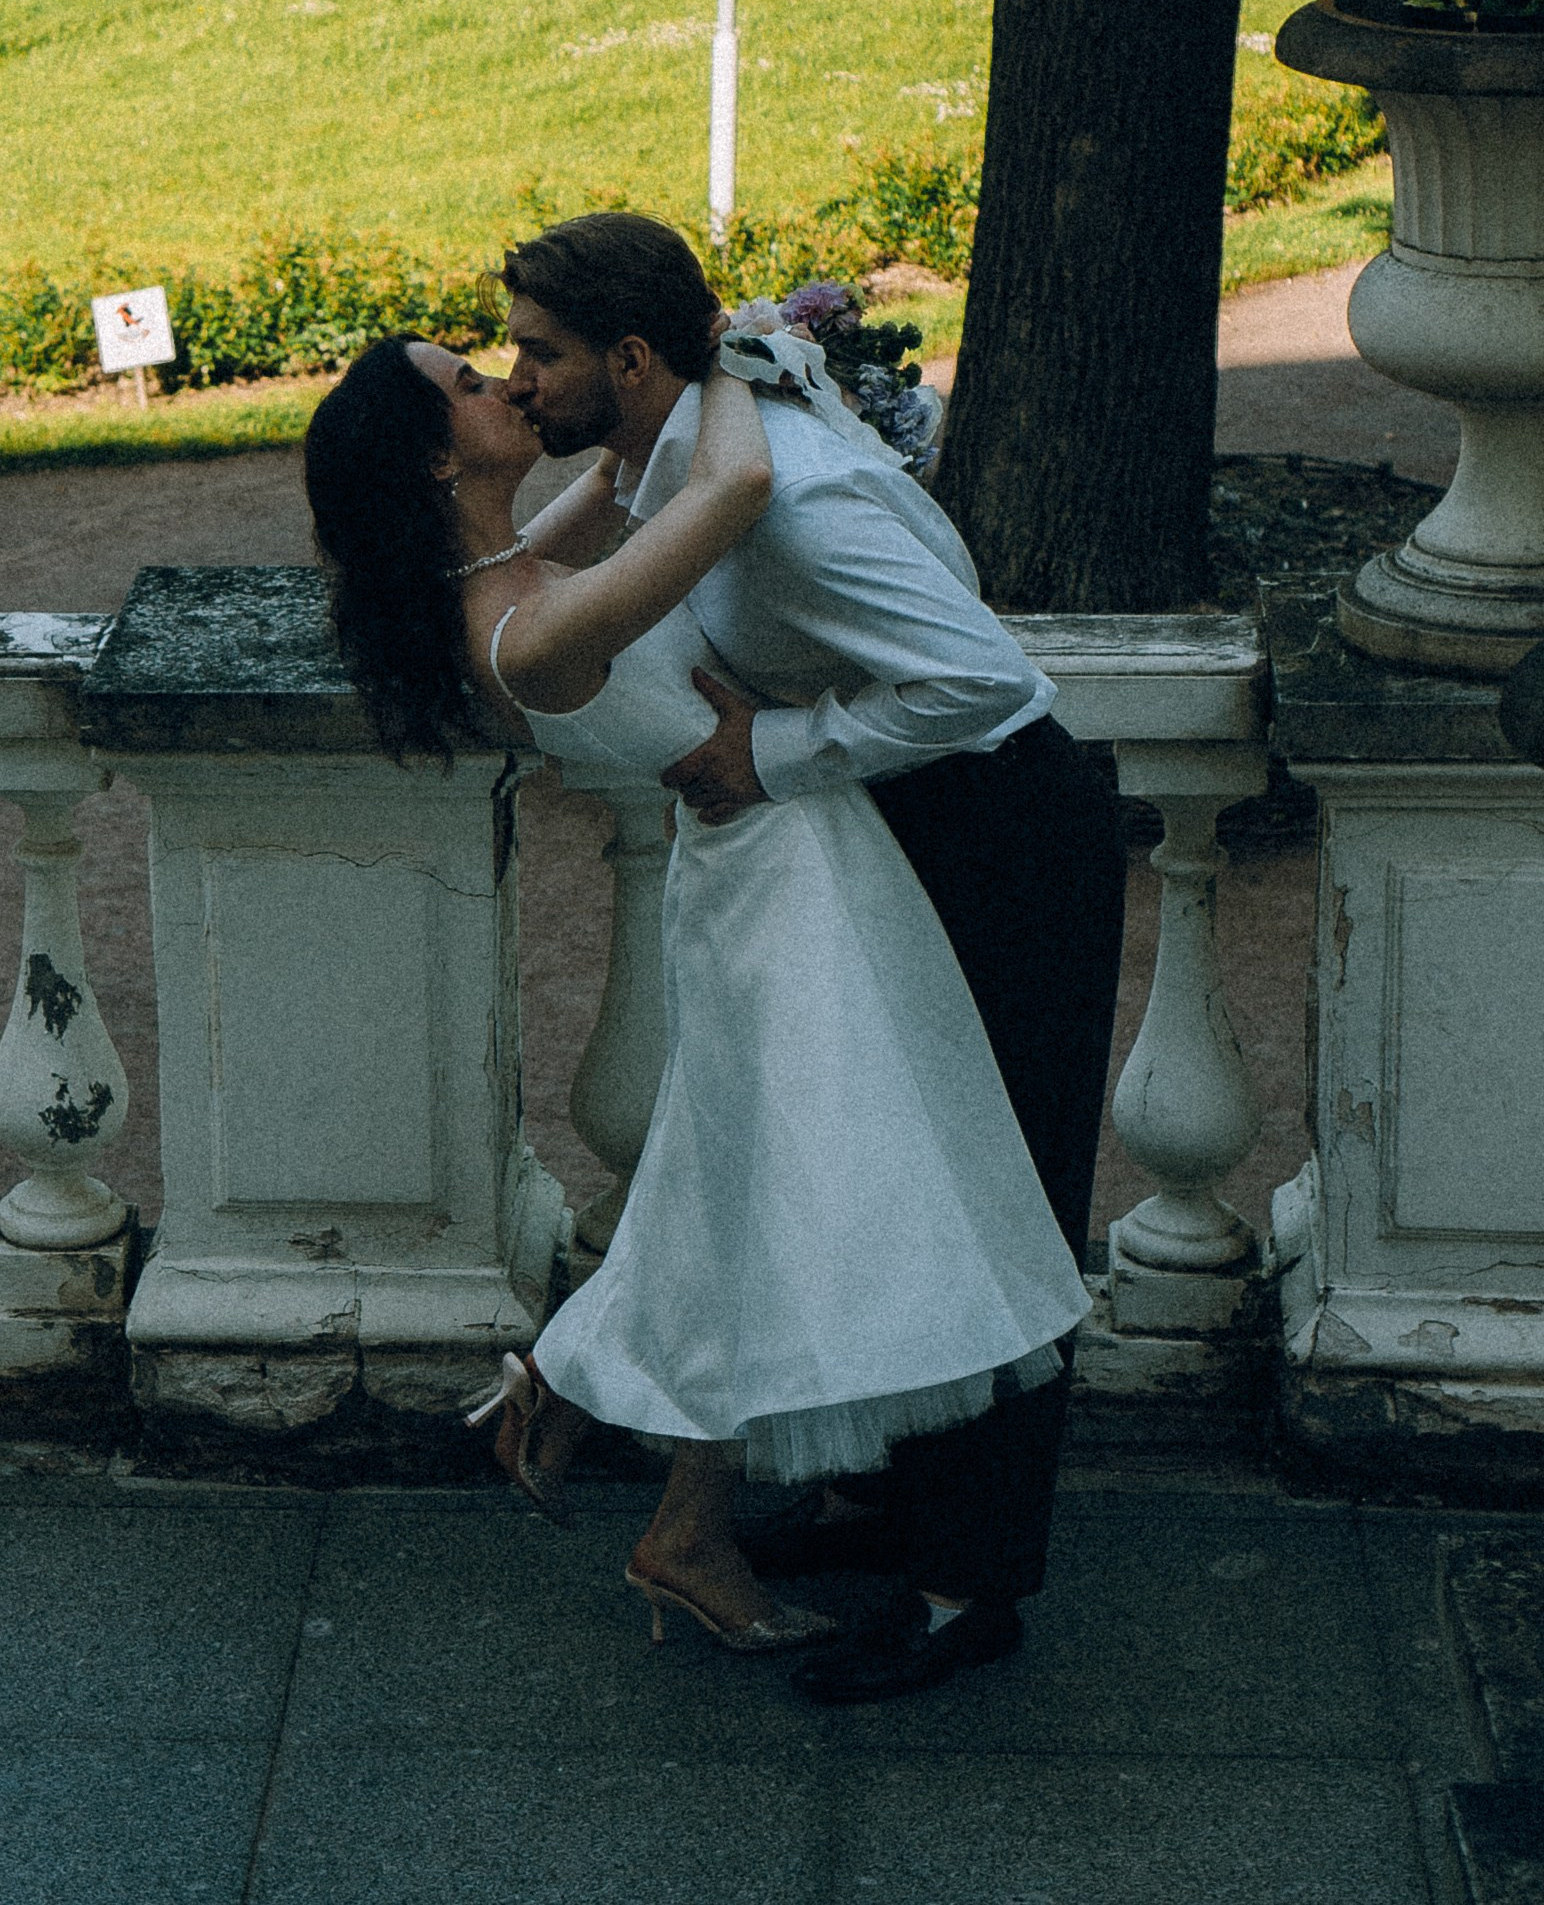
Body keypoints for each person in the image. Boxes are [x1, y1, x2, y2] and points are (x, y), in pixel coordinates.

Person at [302, 322, 1092, 1670]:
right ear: (436, 463)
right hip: (782, 886)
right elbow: (728, 494)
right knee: (803, 1200)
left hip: (775, 872)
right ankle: (647, 1465)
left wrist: (717, 359)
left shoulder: (497, 567)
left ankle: (640, 1464)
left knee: (748, 1196)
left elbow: (615, 490)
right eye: (472, 387)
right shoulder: (535, 628)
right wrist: (725, 359)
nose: (506, 383)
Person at [497, 211, 1127, 1701]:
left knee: (988, 1199)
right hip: (908, 827)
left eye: (539, 351)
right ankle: (896, 1509)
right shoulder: (690, 449)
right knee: (884, 1177)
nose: (517, 377)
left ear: (632, 358)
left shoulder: (791, 502)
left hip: (1000, 837)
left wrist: (777, 752)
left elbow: (985, 672)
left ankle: (970, 1592)